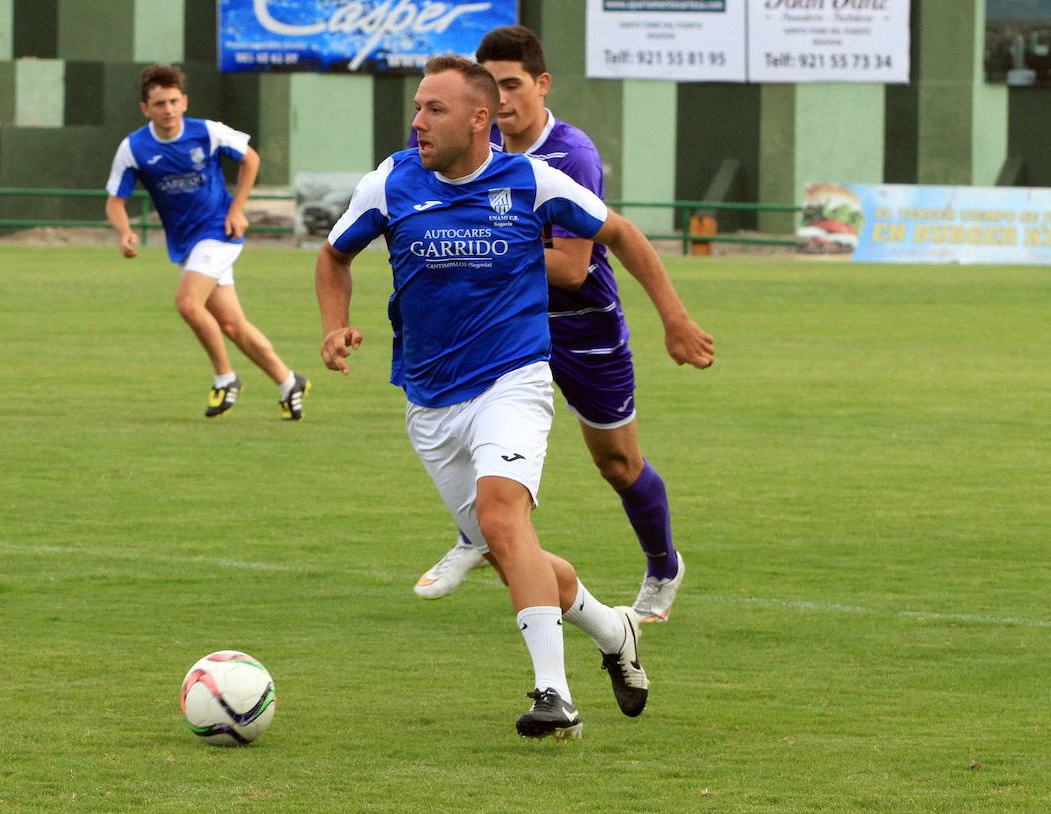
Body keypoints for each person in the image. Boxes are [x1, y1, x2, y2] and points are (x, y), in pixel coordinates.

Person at [316, 55, 662, 739]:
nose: (417, 121)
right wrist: (333, 326)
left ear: (480, 119)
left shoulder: (530, 179)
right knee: (512, 552)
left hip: (514, 379)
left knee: (504, 519)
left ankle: (552, 695)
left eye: (433, 109)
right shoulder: (389, 183)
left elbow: (616, 232)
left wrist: (674, 318)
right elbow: (334, 256)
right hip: (429, 397)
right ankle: (612, 627)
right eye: (416, 107)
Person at [412, 27, 715, 624]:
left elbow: (574, 268)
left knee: (617, 463)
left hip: (581, 327)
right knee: (466, 434)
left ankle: (662, 565)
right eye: (490, 87)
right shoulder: (464, 140)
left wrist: (674, 319)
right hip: (498, 331)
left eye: (512, 85)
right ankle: (474, 536)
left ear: (542, 84)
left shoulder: (569, 153)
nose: (500, 100)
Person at [104, 65, 310, 420]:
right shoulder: (134, 147)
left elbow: (250, 158)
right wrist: (124, 232)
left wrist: (238, 209)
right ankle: (288, 380)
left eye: (172, 101)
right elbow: (115, 200)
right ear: (145, 109)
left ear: (184, 102)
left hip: (219, 232)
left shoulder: (208, 132)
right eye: (158, 104)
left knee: (187, 303)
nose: (167, 109)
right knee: (232, 325)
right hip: (186, 242)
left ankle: (225, 378)